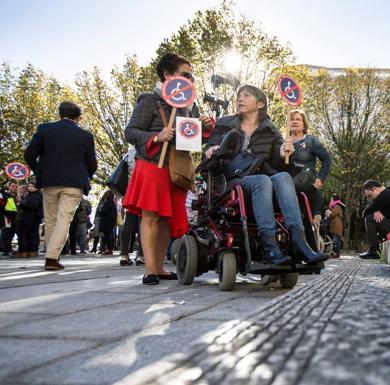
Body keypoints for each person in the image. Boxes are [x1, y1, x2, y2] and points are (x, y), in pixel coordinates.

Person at [204, 85, 328, 265]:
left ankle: (301, 243)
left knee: (283, 177)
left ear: (260, 103)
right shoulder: (224, 124)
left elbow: (279, 166)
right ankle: (270, 245)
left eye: (246, 95)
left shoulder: (271, 130)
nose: (240, 99)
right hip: (232, 181)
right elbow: (208, 152)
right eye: (239, 96)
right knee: (262, 180)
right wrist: (211, 150)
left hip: (263, 179)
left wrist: (285, 153)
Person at [123, 53, 212, 285]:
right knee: (151, 217)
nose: (190, 80)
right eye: (185, 75)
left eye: (191, 76)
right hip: (153, 166)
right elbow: (131, 132)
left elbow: (191, 141)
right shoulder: (149, 100)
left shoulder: (189, 107)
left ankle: (160, 267)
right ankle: (150, 269)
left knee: (165, 220)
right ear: (168, 75)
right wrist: (156, 136)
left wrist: (204, 128)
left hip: (176, 168)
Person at [24, 101, 97, 270]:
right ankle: (51, 258)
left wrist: (39, 170)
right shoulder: (85, 136)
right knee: (64, 218)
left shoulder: (44, 129)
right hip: (74, 182)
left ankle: (52, 256)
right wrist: (86, 176)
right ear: (78, 117)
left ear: (60, 114)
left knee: (50, 220)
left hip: (49, 181)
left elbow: (29, 154)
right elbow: (92, 163)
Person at [288, 109, 331, 227]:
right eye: (291, 119)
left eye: (298, 119)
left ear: (304, 124)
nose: (294, 121)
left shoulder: (311, 140)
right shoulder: (283, 142)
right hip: (289, 184)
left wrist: (321, 178)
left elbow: (327, 159)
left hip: (307, 181)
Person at [119, 147, 144, 266]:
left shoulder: (129, 153)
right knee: (144, 223)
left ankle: (124, 255)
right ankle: (142, 255)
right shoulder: (146, 148)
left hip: (131, 189)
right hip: (144, 189)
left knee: (128, 224)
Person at [16, 181, 43, 257]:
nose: (30, 188)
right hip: (32, 218)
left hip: (30, 218)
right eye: (29, 186)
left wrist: (21, 203)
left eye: (32, 186)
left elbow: (33, 205)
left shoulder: (35, 195)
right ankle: (31, 251)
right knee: (32, 235)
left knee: (23, 234)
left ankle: (24, 251)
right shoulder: (33, 195)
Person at [1, 180, 19, 256]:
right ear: (9, 186)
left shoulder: (16, 195)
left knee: (11, 233)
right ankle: (6, 249)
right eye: (12, 186)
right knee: (6, 233)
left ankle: (8, 248)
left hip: (14, 217)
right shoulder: (4, 194)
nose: (14, 188)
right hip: (7, 217)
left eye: (15, 186)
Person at [96, 190, 116, 255]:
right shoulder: (112, 202)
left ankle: (109, 249)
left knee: (107, 236)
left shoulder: (108, 202)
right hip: (109, 222)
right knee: (107, 236)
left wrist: (99, 211)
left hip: (107, 223)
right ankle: (106, 249)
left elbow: (104, 211)